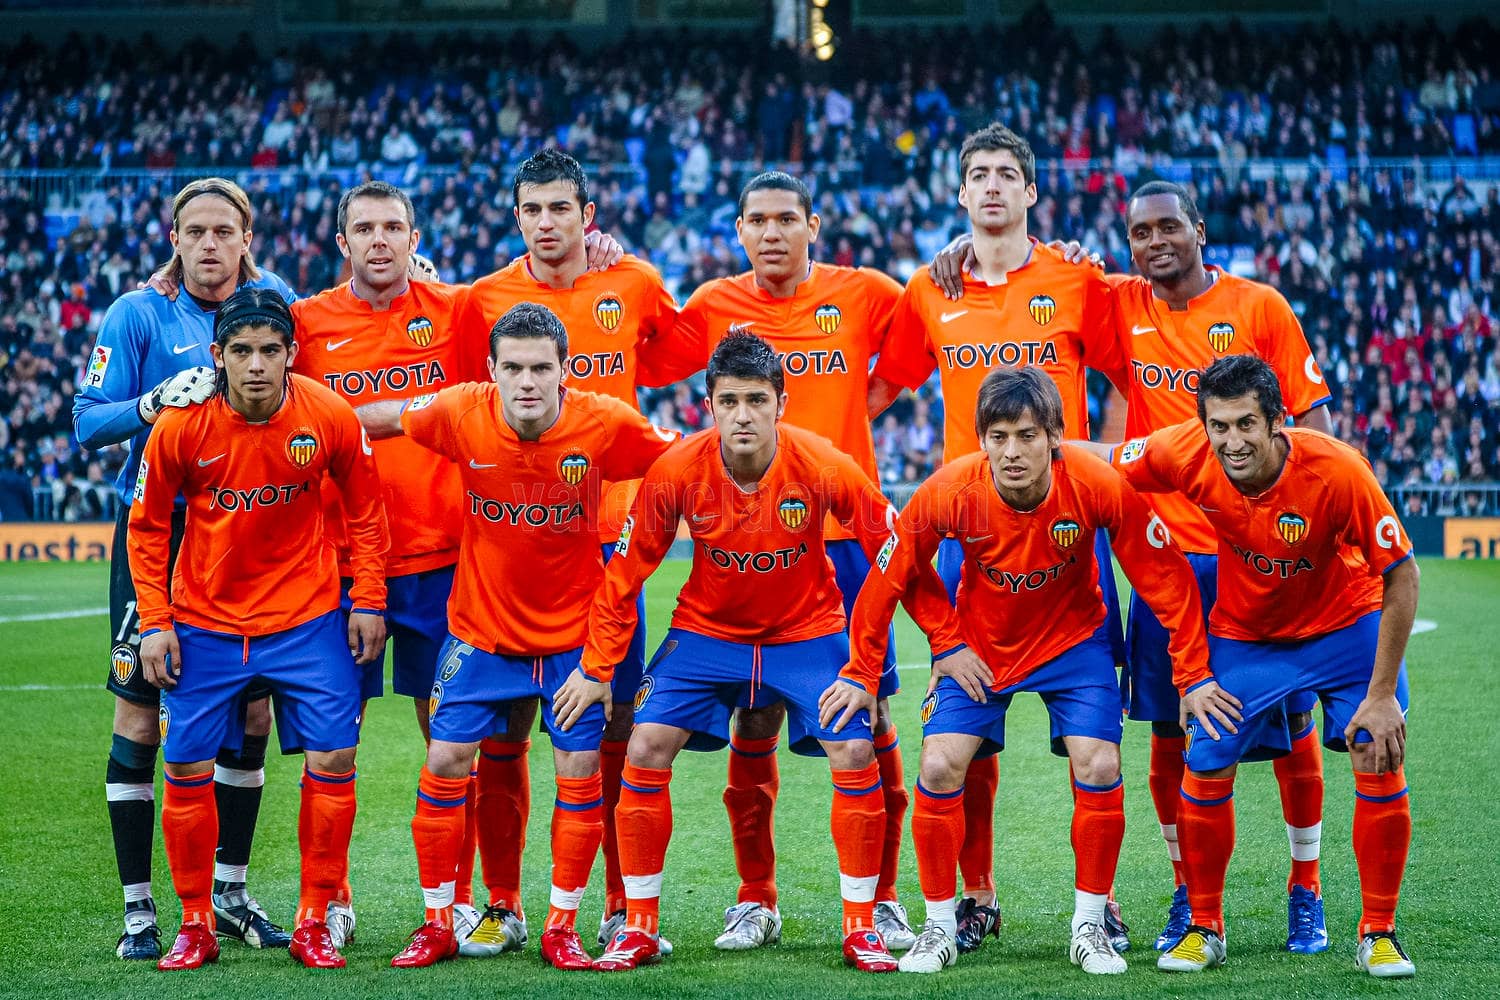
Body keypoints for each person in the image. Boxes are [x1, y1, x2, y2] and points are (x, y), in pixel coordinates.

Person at [586, 332, 949, 974]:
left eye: (757, 400)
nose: (743, 415)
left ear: (781, 402)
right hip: (708, 633)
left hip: (805, 632)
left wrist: (945, 642)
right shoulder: (676, 470)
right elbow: (625, 573)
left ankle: (862, 924)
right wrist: (596, 668)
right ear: (708, 406)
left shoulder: (823, 463)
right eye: (729, 401)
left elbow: (895, 551)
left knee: (855, 747)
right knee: (644, 744)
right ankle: (638, 924)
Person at [834, 366, 1209, 976]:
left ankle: (1090, 926)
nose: (1012, 451)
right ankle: (938, 927)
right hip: (982, 647)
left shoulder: (1096, 483)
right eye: (999, 436)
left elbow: (1166, 577)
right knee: (939, 764)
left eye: (1028, 435)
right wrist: (878, 665)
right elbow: (889, 577)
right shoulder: (950, 490)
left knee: (1100, 763)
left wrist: (1192, 673)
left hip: (1075, 645)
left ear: (1056, 436)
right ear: (982, 439)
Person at [867, 122, 1130, 952]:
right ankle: (975, 896)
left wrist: (1106, 465)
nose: (990, 185)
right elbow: (881, 386)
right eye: (976, 173)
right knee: (968, 732)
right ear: (959, 192)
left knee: (1094, 737)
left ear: (1031, 190)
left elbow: (1126, 376)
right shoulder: (928, 287)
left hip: (1068, 521)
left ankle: (1099, 904)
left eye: (1006, 173)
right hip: (966, 529)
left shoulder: (1077, 276)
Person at [354, 302, 677, 970]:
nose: (527, 382)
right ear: (491, 370)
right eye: (513, 368)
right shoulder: (459, 411)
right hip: (481, 631)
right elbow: (379, 418)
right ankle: (440, 921)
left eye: (540, 368)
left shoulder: (605, 422)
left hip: (572, 640)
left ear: (565, 371)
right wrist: (288, 419)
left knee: (579, 769)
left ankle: (562, 925)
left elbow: (682, 460)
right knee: (447, 760)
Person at [645, 170, 915, 952]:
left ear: (812, 226)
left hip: (844, 542)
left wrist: (856, 413)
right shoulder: (712, 304)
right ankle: (754, 898)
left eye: (786, 219)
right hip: (750, 541)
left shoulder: (864, 292)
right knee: (753, 714)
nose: (772, 232)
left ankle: (884, 898)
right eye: (757, 220)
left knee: (870, 717)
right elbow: (644, 356)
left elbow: (922, 343)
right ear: (738, 231)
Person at [1102, 355, 1418, 979]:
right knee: (1205, 754)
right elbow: (1104, 459)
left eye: (1246, 423)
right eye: (1219, 426)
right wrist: (1040, 448)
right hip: (1249, 634)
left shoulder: (1338, 470)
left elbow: (1402, 575)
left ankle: (1379, 932)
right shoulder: (1185, 451)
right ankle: (1205, 926)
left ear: (1277, 421)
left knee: (1376, 749)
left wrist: (1382, 694)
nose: (1232, 441)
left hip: (1344, 626)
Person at [450, 148, 679, 956]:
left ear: (589, 215)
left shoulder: (635, 282)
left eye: (561, 208)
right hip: (515, 542)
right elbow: (464, 399)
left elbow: (681, 354)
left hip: (613, 541)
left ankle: (618, 903)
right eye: (532, 209)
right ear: (516, 216)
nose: (546, 222)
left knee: (614, 722)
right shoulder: (482, 299)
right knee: (503, 729)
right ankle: (505, 903)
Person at [127, 289, 389, 970]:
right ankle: (195, 923)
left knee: (334, 758)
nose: (256, 365)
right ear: (218, 355)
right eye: (241, 351)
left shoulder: (328, 415)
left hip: (306, 621)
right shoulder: (180, 427)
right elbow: (147, 528)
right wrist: (154, 621)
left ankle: (313, 920)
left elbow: (366, 509)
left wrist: (369, 598)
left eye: (270, 350)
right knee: (185, 764)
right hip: (205, 623)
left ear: (290, 353)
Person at [1109, 180, 1338, 952]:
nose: (1155, 241)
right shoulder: (1121, 305)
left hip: (1257, 559)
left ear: (1200, 231)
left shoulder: (1259, 306)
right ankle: (1189, 892)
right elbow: (1035, 274)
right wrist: (963, 249)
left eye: (1169, 227)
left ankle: (1306, 888)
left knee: (1291, 726)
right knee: (1169, 732)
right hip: (1168, 562)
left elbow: (1314, 422)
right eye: (1140, 232)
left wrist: (1314, 535)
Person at [72, 178, 297, 960]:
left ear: (246, 238)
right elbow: (86, 421)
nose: (209, 244)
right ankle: (139, 910)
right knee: (139, 715)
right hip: (158, 536)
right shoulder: (137, 313)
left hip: (249, 537)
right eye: (194, 231)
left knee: (253, 716)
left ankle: (229, 895)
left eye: (223, 231)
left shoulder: (275, 302)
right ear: (174, 237)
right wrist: (153, 402)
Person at [288, 179, 470, 948]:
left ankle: (457, 899)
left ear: (414, 237)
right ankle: (328, 898)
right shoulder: (306, 322)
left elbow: (532, 305)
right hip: (338, 562)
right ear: (343, 243)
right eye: (364, 228)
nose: (379, 240)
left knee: (451, 735)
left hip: (441, 558)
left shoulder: (456, 311)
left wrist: (598, 250)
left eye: (393, 226)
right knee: (334, 739)